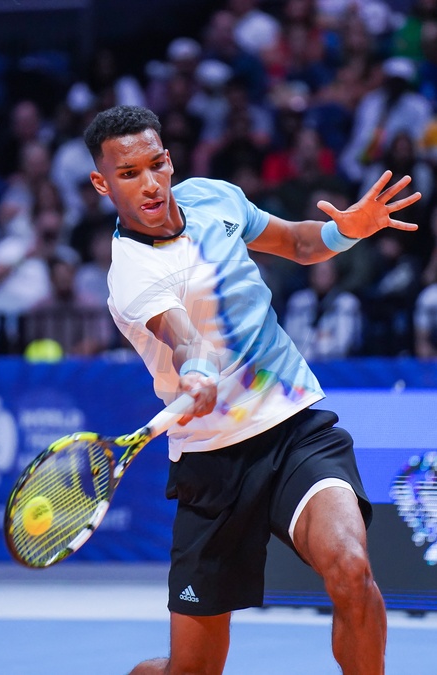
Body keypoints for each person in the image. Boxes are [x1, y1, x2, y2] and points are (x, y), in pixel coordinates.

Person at [83, 104, 421, 675]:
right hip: (212, 466)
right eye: (129, 173)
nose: (150, 184)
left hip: (294, 429)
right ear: (102, 183)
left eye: (156, 164)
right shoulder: (132, 271)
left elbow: (299, 244)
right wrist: (197, 371)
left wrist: (347, 230)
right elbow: (183, 338)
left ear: (170, 159)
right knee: (193, 670)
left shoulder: (215, 198)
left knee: (351, 569)